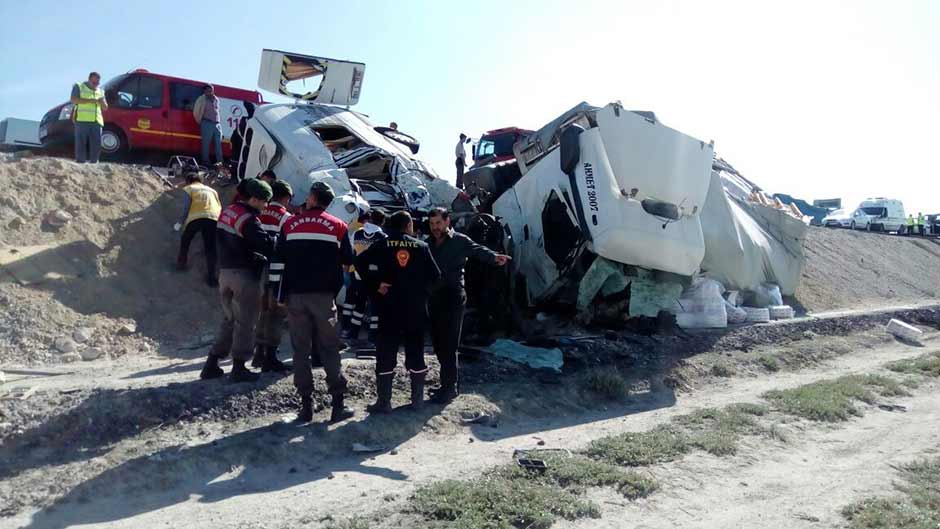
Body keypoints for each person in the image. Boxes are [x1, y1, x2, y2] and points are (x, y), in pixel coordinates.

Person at [277, 182, 356, 423]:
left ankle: (306, 407)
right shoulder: (338, 226)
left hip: (296, 296)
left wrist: (279, 294)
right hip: (323, 297)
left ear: (312, 198)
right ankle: (338, 405)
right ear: (328, 202)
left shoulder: (289, 223)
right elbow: (348, 261)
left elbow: (278, 260)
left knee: (301, 350)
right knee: (329, 348)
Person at [356, 211, 440, 413]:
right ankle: (417, 402)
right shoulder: (422, 246)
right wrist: (423, 294)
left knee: (385, 352)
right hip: (415, 309)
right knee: (416, 351)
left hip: (388, 307)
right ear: (408, 225)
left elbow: (359, 262)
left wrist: (376, 284)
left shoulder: (382, 244)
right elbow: (436, 275)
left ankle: (383, 403)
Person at [426, 207, 510, 404]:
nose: (435, 227)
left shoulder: (459, 240)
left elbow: (478, 250)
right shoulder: (428, 242)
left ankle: (450, 389)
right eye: (432, 224)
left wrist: (494, 257)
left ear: (447, 222)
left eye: (438, 223)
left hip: (453, 297)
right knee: (438, 343)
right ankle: (446, 384)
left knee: (449, 343)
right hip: (434, 297)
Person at [200, 179, 276, 383]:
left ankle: (212, 364)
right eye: (264, 201)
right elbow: (265, 244)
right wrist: (276, 242)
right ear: (253, 198)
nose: (265, 206)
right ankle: (239, 367)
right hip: (244, 275)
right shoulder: (248, 219)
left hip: (224, 273)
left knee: (229, 320)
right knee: (246, 321)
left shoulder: (229, 210)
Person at [252, 180, 294, 372]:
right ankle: (270, 355)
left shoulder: (260, 212)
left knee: (262, 310)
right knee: (277, 312)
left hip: (257, 268)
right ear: (286, 197)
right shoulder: (286, 217)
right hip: (277, 271)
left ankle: (258, 352)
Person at [341, 209, 387, 344]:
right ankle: (373, 337)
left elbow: (351, 252)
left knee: (358, 304)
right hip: (374, 277)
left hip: (357, 274)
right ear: (382, 222)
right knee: (375, 307)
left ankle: (352, 332)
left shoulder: (356, 233)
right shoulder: (382, 237)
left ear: (370, 219)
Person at [175, 172, 221, 286]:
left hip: (196, 218)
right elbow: (219, 207)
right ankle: (211, 277)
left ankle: (181, 263)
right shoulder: (213, 191)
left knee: (186, 239)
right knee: (210, 248)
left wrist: (180, 222)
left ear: (188, 181)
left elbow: (186, 207)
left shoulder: (189, 188)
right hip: (213, 219)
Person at [70, 72, 108, 163]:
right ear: (89, 79)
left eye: (98, 83)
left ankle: (94, 162)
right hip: (82, 119)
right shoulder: (79, 86)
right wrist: (92, 100)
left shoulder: (101, 91)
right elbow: (74, 99)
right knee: (81, 143)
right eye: (94, 82)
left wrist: (102, 102)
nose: (96, 85)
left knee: (96, 144)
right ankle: (80, 162)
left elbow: (105, 107)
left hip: (96, 121)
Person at [193, 84, 223, 166]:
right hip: (207, 123)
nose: (211, 92)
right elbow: (196, 111)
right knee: (206, 144)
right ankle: (205, 162)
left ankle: (220, 163)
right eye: (209, 90)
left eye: (212, 90)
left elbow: (218, 111)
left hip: (217, 124)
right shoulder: (201, 99)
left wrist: (219, 122)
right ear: (205, 91)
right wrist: (199, 121)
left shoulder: (216, 99)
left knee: (218, 144)